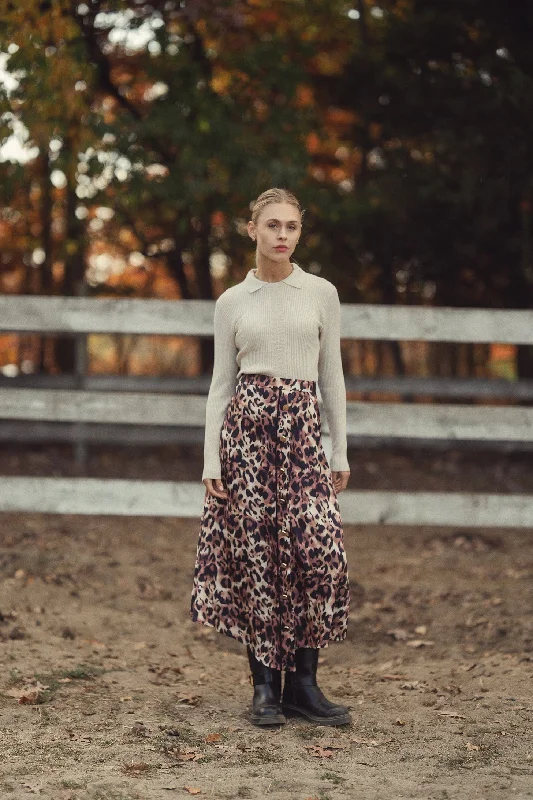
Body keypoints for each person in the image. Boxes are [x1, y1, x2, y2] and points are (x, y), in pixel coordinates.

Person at [190, 187, 352, 727]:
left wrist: (340, 448)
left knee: (318, 551)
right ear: (252, 229)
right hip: (247, 437)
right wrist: (211, 459)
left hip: (304, 433)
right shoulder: (233, 301)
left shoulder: (321, 293)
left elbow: (333, 376)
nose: (283, 235)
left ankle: (304, 686)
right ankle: (265, 689)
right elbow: (219, 385)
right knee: (257, 557)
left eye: (292, 227)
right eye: (273, 225)